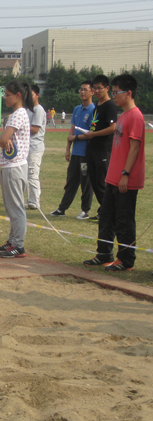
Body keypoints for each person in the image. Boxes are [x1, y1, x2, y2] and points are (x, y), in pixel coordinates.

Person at [83, 74, 145, 272]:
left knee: (124, 220)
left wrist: (125, 173)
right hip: (113, 176)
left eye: (117, 92)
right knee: (106, 216)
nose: (114, 96)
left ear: (128, 93)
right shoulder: (123, 115)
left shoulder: (135, 116)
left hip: (126, 179)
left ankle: (126, 260)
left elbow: (134, 148)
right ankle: (104, 253)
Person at [0, 81, 33, 258]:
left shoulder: (19, 114)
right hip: (9, 165)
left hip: (15, 166)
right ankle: (12, 240)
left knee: (16, 207)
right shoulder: (15, 115)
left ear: (18, 95)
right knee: (10, 207)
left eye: (8, 94)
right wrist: (4, 139)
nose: (5, 98)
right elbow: (4, 140)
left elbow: (2, 140)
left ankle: (18, 245)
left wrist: (4, 139)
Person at [49, 81, 95, 219]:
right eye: (80, 89)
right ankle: (62, 209)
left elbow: (92, 133)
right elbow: (71, 131)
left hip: (86, 153)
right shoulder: (77, 109)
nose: (82, 92)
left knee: (86, 183)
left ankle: (85, 210)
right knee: (71, 181)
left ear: (92, 92)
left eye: (85, 90)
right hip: (76, 152)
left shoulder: (94, 110)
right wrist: (68, 149)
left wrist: (75, 138)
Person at [81, 75, 118, 221]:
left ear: (107, 88)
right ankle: (104, 210)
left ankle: (109, 212)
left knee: (102, 182)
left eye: (99, 88)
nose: (96, 91)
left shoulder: (110, 105)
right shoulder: (98, 105)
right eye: (94, 88)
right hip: (92, 147)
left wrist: (94, 134)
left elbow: (113, 128)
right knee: (94, 181)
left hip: (103, 148)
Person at [26, 84, 46, 210]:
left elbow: (35, 129)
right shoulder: (28, 109)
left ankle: (35, 201)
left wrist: (20, 127)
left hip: (35, 147)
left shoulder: (38, 110)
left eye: (31, 94)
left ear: (37, 95)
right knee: (26, 175)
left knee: (33, 174)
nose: (28, 96)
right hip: (27, 147)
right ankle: (30, 200)